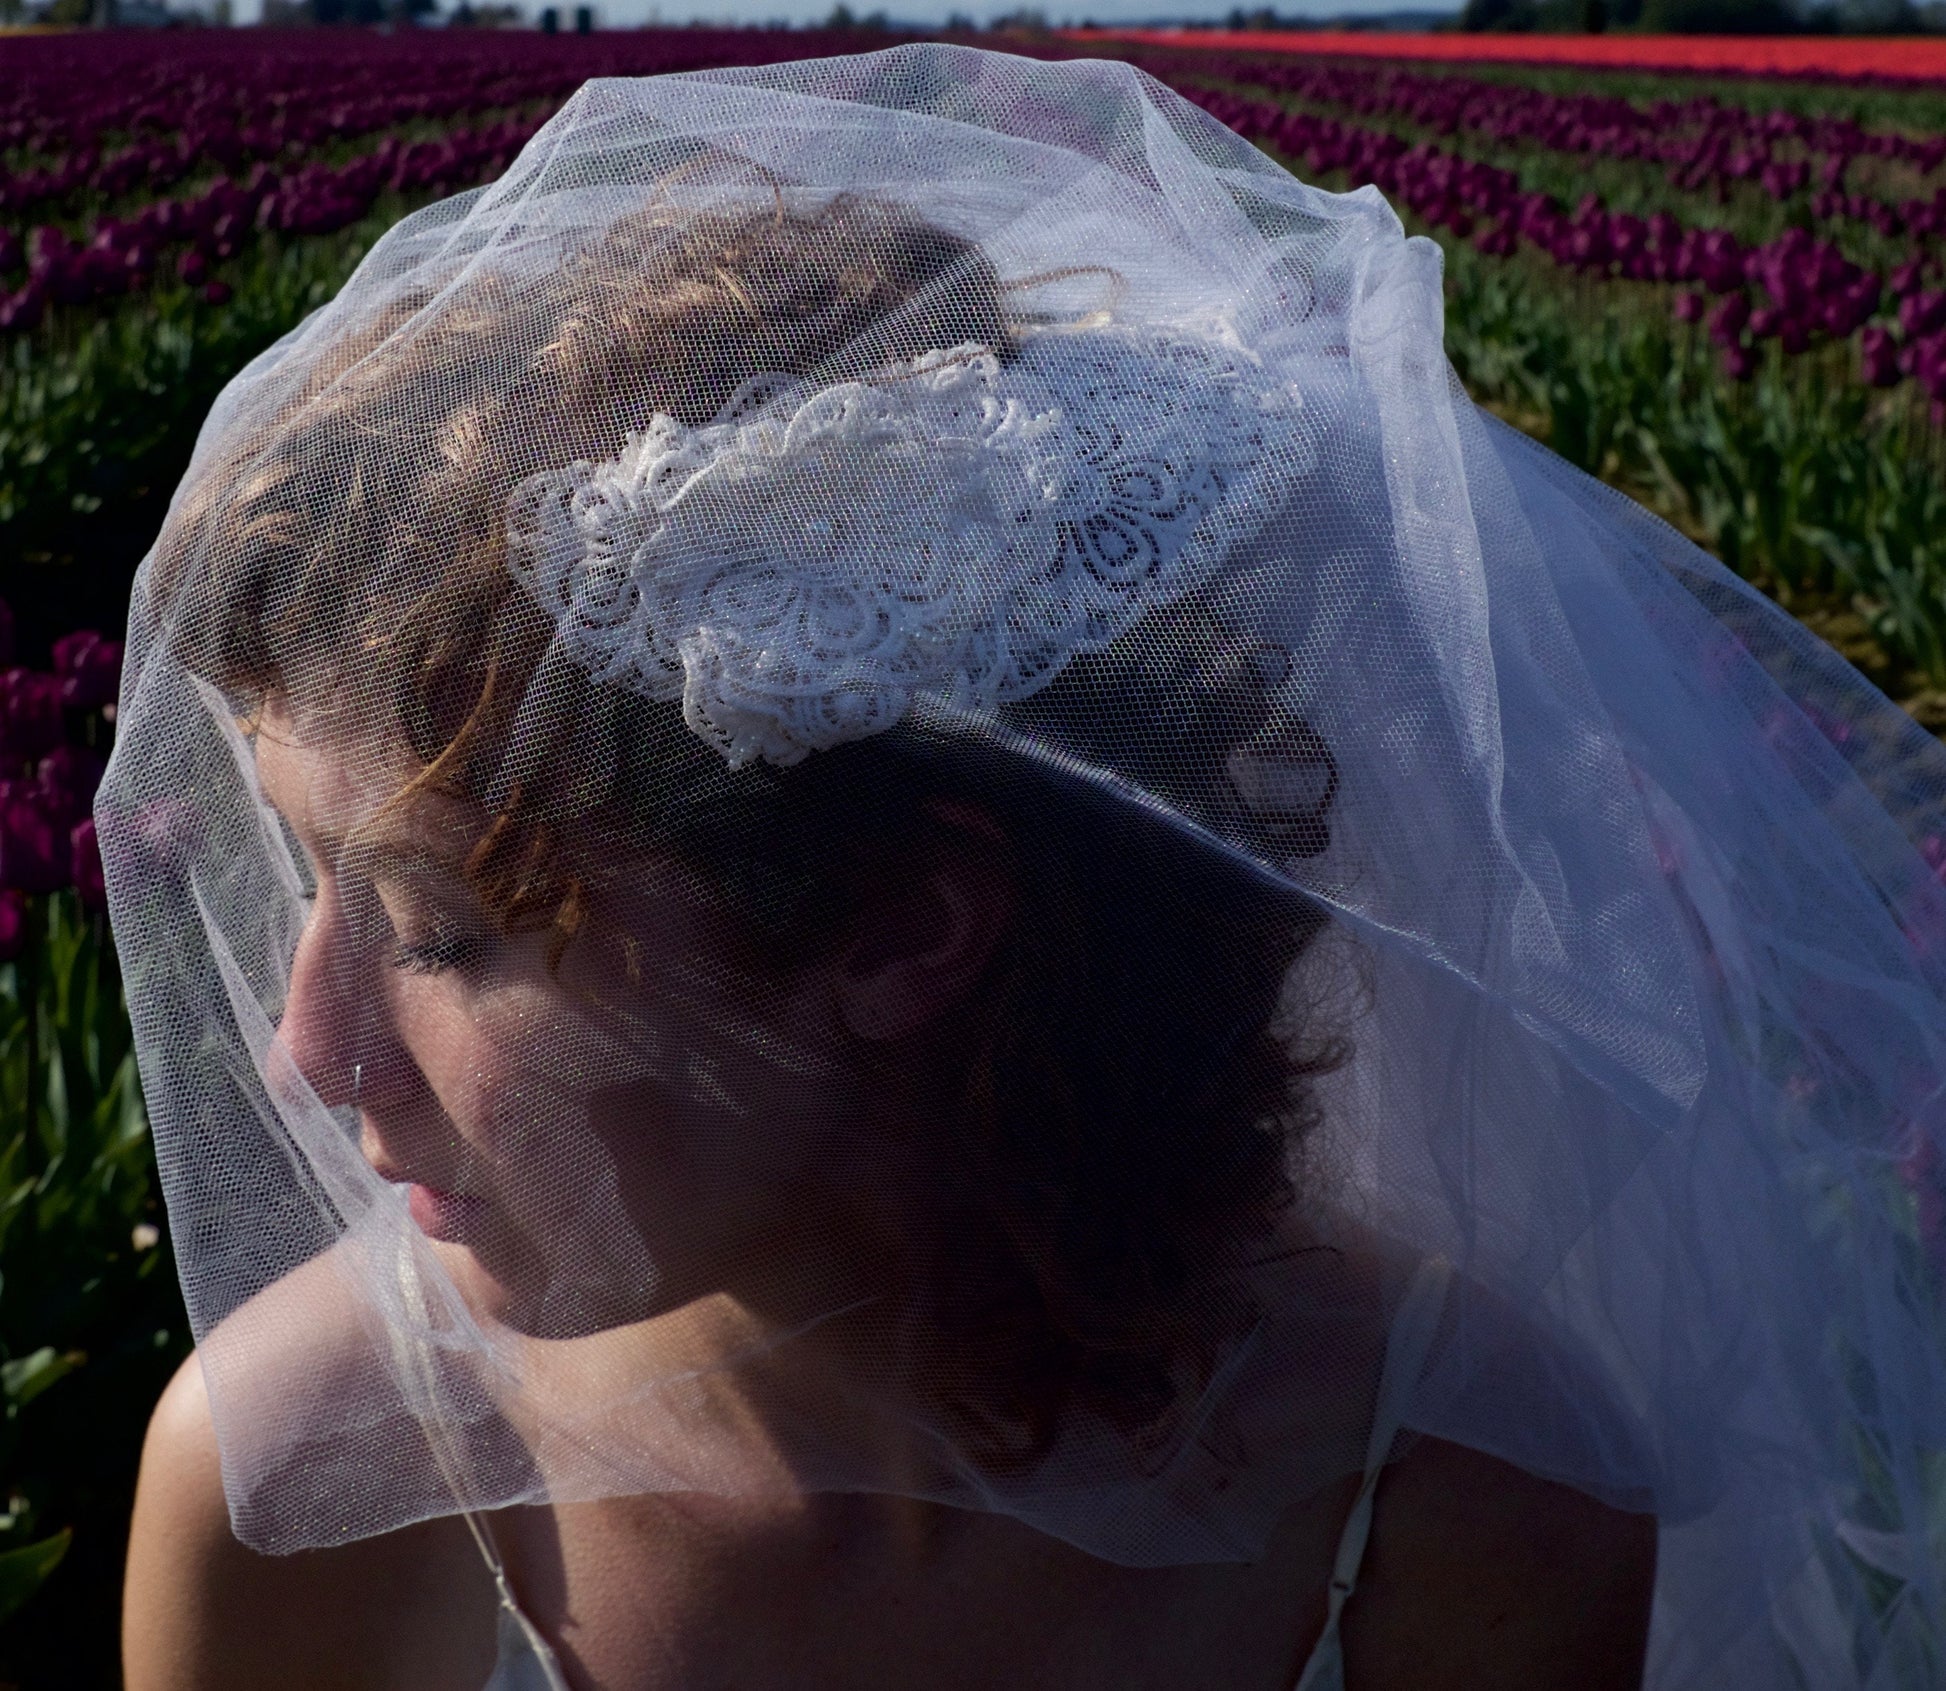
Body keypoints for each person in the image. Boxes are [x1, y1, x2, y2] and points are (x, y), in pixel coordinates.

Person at [107, 43, 1945, 1691]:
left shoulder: (1468, 1492)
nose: (305, 1043)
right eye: (310, 878)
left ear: (903, 928)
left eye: (440, 929)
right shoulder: (309, 1477)